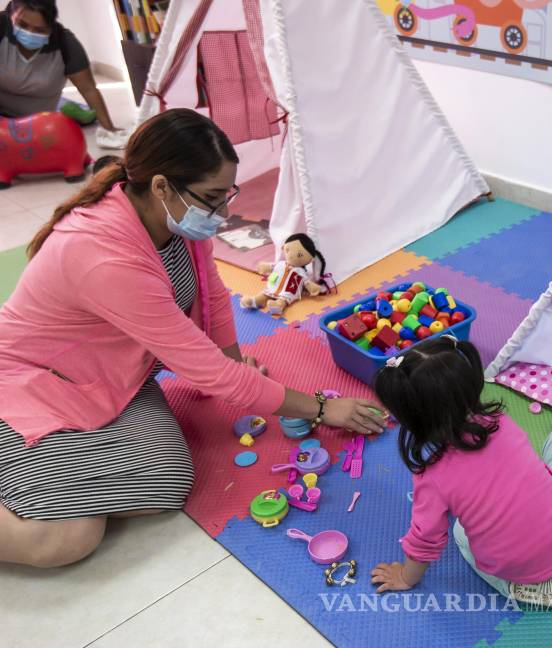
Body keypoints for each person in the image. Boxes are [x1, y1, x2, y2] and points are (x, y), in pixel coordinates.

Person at [0, 108, 386, 569]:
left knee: (167, 482)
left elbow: (214, 296)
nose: (222, 213)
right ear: (162, 185)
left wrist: (235, 365)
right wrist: (323, 407)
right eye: (212, 197)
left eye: (227, 195)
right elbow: (208, 373)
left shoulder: (175, 218)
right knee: (70, 537)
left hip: (115, 380)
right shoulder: (104, 256)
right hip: (32, 384)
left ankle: (62, 464)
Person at [370, 335, 552, 609]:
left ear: (412, 419)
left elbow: (425, 541)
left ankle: (515, 586)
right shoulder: (500, 421)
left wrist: (405, 577)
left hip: (526, 565)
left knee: (460, 533)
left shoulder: (432, 477)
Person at [0, 0, 125, 146]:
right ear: (11, 16)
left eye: (40, 30)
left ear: (51, 27)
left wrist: (109, 129)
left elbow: (89, 90)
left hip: (39, 122)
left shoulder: (65, 43)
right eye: (22, 25)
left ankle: (73, 110)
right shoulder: (2, 27)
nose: (29, 33)